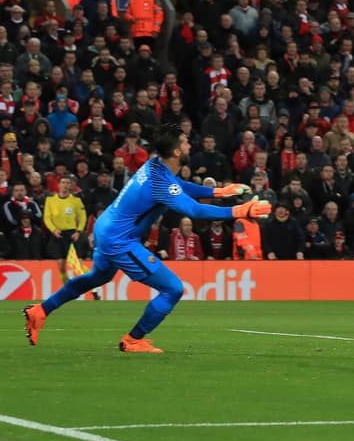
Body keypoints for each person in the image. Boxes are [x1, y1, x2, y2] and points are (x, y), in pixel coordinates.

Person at [23, 126, 270, 353]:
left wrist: (217, 192)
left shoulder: (155, 165)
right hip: (119, 239)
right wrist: (239, 211)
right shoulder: (160, 182)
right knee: (172, 289)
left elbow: (180, 185)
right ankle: (133, 340)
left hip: (107, 228)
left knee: (97, 277)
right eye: (185, 142)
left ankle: (41, 311)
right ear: (175, 150)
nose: (189, 146)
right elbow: (194, 211)